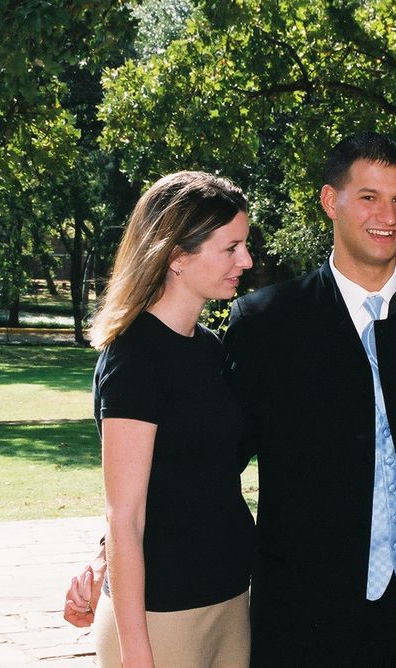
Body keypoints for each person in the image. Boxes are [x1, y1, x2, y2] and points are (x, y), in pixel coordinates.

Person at [67, 133, 396, 665]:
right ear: (331, 201)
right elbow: (202, 465)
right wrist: (108, 553)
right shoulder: (264, 323)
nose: (388, 216)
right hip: (308, 618)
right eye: (369, 197)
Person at [82, 171, 256, 667]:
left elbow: (193, 477)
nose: (246, 261)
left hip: (228, 600)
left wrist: (97, 558)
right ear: (177, 256)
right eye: (231, 248)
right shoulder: (134, 358)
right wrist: (136, 651)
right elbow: (125, 514)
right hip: (160, 618)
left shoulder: (211, 350)